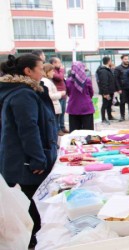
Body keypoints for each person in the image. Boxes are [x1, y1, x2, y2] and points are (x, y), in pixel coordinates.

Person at [0, 54, 58, 248]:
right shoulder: (23, 94)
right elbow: (28, 128)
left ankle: (32, 238)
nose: (43, 71)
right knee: (33, 203)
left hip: (24, 159)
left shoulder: (23, 90)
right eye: (41, 68)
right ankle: (34, 241)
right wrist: (37, 159)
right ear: (28, 71)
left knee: (30, 201)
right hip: (26, 162)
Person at [65, 62, 95, 132]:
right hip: (86, 108)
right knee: (88, 132)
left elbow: (68, 93)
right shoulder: (87, 80)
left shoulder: (68, 81)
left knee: (74, 133)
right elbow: (91, 93)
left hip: (73, 108)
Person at [42, 63, 65, 136]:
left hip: (54, 106)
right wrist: (60, 94)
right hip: (53, 106)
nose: (53, 73)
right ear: (47, 71)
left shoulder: (47, 80)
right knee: (53, 127)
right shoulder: (46, 81)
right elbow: (50, 95)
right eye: (52, 71)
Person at [49, 57, 69, 134]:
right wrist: (61, 70)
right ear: (53, 63)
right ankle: (58, 129)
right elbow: (60, 78)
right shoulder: (52, 71)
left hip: (63, 95)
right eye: (59, 62)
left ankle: (62, 127)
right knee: (58, 113)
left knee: (63, 112)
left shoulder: (57, 70)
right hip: (58, 95)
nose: (60, 64)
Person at [96, 56, 117, 124]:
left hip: (110, 91)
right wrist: (105, 93)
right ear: (108, 61)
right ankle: (103, 118)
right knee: (105, 104)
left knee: (109, 104)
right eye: (110, 61)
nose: (111, 62)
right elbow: (104, 82)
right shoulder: (103, 71)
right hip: (106, 92)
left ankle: (109, 116)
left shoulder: (108, 69)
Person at [114, 54, 129, 121]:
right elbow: (116, 79)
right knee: (122, 102)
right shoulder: (118, 68)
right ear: (122, 59)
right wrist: (118, 89)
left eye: (128, 59)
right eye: (125, 59)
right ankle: (122, 116)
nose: (127, 60)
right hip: (122, 88)